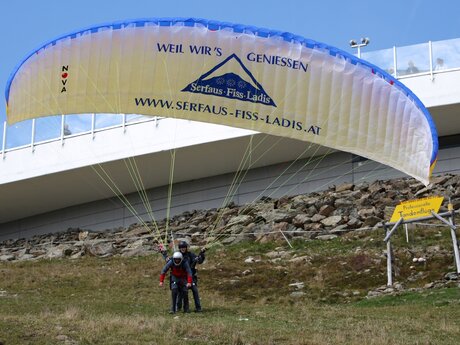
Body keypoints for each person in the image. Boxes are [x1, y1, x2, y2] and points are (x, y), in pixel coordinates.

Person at [177, 241, 206, 312]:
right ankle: (179, 307)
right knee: (181, 293)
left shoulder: (190, 255)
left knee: (195, 291)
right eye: (181, 248)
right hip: (182, 277)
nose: (183, 249)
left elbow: (199, 261)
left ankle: (198, 308)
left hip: (191, 277)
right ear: (179, 248)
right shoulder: (178, 255)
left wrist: (202, 254)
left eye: (184, 247)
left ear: (186, 248)